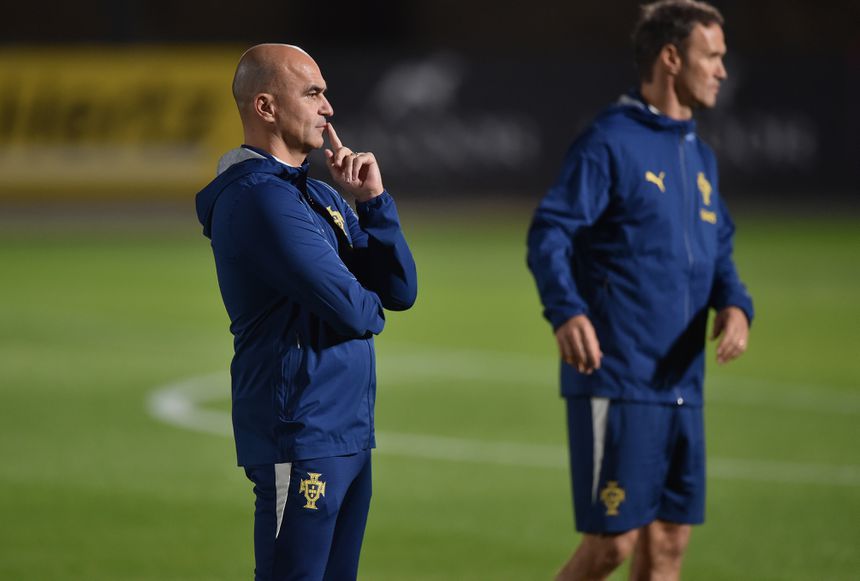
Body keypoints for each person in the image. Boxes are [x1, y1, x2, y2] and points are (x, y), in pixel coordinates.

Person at [526, 1, 753, 579]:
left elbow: (718, 250)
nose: (723, 69)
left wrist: (735, 305)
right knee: (612, 545)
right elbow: (550, 231)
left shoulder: (699, 154)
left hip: (683, 384)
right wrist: (566, 310)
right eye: (713, 55)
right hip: (619, 377)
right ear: (672, 58)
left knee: (669, 545)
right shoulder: (609, 141)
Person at [195, 44, 417, 581]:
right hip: (297, 430)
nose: (329, 108)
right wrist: (365, 301)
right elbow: (357, 311)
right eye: (313, 93)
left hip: (346, 429)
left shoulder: (321, 196)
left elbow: (399, 289)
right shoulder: (257, 199)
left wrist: (373, 203)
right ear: (266, 107)